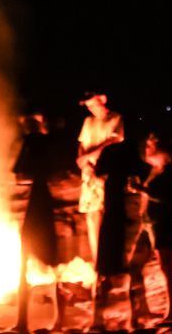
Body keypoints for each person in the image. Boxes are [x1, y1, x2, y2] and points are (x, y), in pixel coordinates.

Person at [12, 111, 68, 333]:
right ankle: (58, 320)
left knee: (26, 261)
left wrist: (34, 176)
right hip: (50, 205)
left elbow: (18, 173)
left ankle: (22, 322)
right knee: (53, 262)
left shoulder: (32, 142)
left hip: (37, 205)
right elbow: (59, 174)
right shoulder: (52, 144)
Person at [88, 135, 147, 329]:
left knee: (105, 268)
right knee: (130, 267)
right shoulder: (132, 153)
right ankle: (133, 319)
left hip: (113, 217)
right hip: (128, 214)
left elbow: (98, 172)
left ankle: (98, 320)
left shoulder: (110, 151)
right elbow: (143, 171)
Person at [128, 133, 172, 323]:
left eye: (151, 146)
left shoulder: (169, 171)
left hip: (162, 223)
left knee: (166, 267)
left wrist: (142, 190)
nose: (147, 149)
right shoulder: (155, 170)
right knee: (134, 265)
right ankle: (142, 308)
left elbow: (167, 197)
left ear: (162, 150)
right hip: (147, 223)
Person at [76, 90, 124, 263]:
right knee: (91, 215)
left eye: (93, 104)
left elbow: (112, 141)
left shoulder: (115, 118)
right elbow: (81, 144)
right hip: (88, 173)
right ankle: (97, 259)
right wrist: (82, 159)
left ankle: (109, 261)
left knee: (106, 214)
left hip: (104, 172)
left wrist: (90, 156)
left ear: (102, 101)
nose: (91, 109)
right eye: (88, 106)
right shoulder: (88, 122)